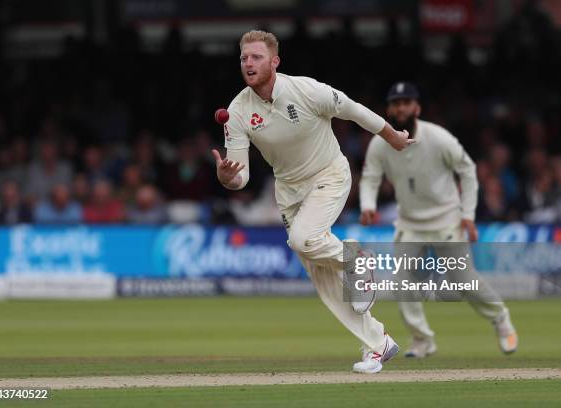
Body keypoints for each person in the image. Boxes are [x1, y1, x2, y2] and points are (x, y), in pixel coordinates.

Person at [212, 30, 414, 374]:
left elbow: (354, 110)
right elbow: (240, 174)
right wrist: (228, 177)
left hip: (329, 175)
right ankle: (378, 344)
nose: (249, 63)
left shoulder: (305, 89)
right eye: (244, 57)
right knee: (325, 281)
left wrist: (392, 136)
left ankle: (358, 261)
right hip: (289, 192)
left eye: (257, 57)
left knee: (304, 240)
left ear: (275, 61)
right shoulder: (237, 111)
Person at [359, 82, 518, 357]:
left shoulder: (438, 138)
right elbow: (371, 175)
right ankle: (422, 340)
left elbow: (468, 170)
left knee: (463, 281)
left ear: (417, 107)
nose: (401, 107)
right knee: (402, 282)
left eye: (406, 102)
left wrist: (468, 214)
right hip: (409, 224)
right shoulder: (380, 143)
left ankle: (501, 318)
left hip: (446, 221)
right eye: (396, 103)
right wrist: (368, 205)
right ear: (389, 108)